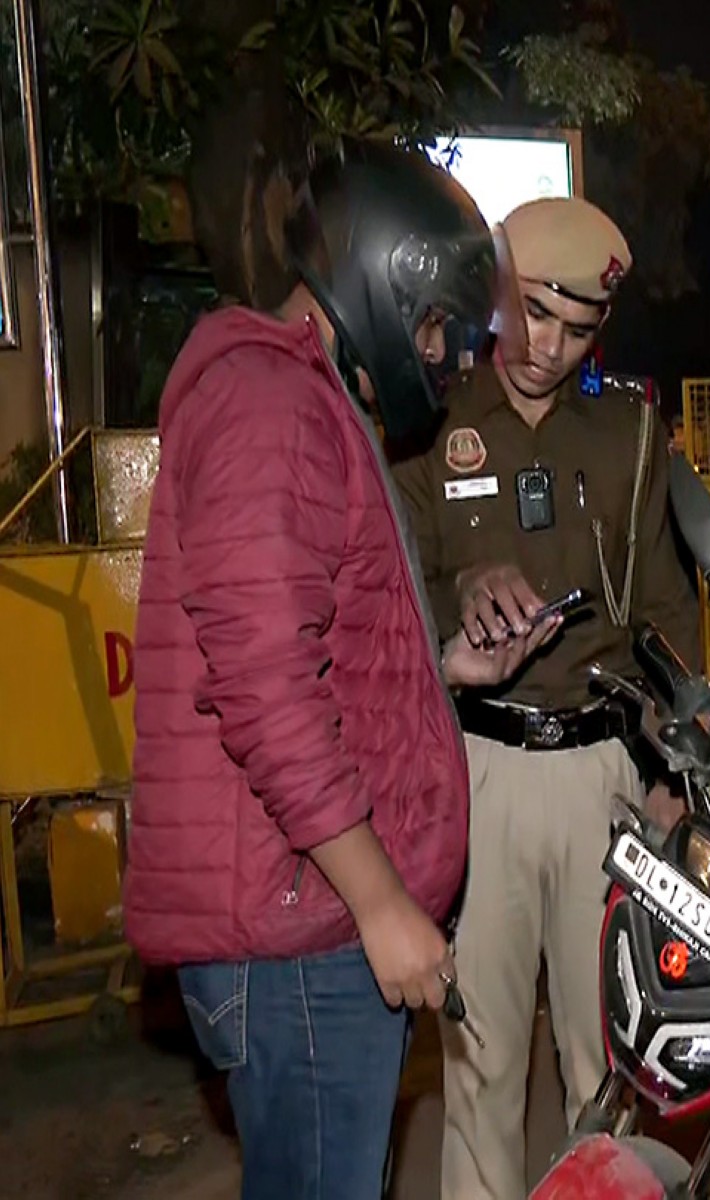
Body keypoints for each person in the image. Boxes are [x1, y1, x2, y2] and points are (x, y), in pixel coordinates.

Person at [124, 142, 556, 1200]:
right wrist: (381, 904)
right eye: (435, 324)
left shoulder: (305, 399)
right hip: (302, 937)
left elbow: (313, 651)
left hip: (305, 920)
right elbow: (266, 689)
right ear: (384, 279)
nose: (441, 353)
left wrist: (442, 671)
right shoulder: (269, 405)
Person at [393, 195, 702, 1199]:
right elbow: (388, 594)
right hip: (477, 768)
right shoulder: (428, 423)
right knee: (478, 1061)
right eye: (532, 312)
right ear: (494, 293)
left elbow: (665, 607)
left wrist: (674, 769)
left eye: (575, 327)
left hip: (599, 773)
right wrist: (462, 595)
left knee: (605, 1064)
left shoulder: (629, 435)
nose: (548, 347)